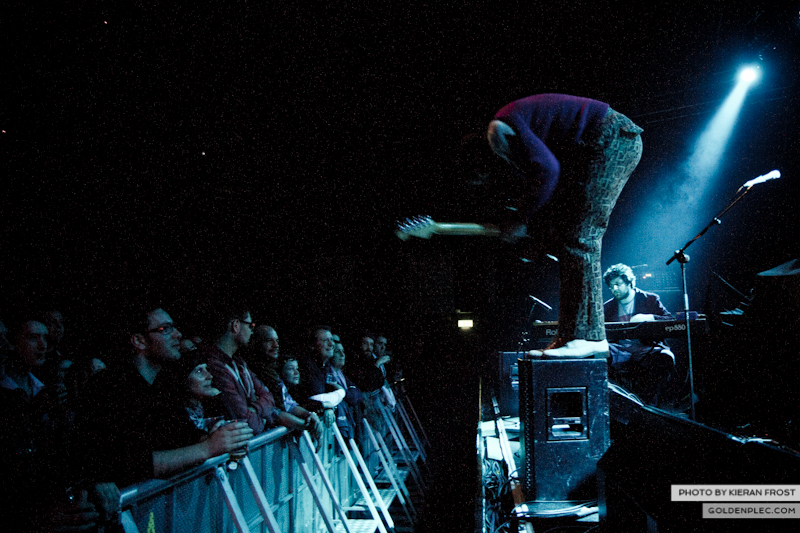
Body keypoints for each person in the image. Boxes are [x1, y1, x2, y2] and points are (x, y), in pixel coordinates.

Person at [468, 94, 643, 358]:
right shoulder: (518, 134)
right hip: (600, 143)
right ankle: (571, 336)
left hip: (613, 137)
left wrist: (519, 219)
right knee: (570, 240)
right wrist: (537, 235)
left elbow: (549, 172)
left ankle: (589, 338)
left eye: (482, 176)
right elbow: (552, 189)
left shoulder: (499, 130)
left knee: (581, 239)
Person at [73, 304, 254, 487]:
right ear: (139, 341)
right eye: (165, 329)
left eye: (174, 327)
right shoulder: (109, 388)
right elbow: (128, 462)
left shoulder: (162, 387)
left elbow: (184, 435)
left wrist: (219, 437)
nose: (178, 334)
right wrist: (207, 448)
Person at [603, 263, 675, 405]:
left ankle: (649, 405)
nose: (614, 289)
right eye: (611, 286)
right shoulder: (607, 307)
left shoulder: (650, 299)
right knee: (597, 356)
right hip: (619, 350)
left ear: (629, 282)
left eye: (618, 284)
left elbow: (670, 320)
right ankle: (616, 403)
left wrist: (650, 317)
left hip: (646, 348)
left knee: (665, 358)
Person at [201, 304, 280, 434]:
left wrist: (253, 409)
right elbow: (247, 424)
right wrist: (264, 418)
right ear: (235, 325)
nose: (252, 331)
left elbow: (269, 397)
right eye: (250, 326)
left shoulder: (239, 363)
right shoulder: (214, 366)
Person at [246, 325, 321, 437]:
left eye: (277, 341)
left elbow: (288, 404)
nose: (275, 346)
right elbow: (273, 412)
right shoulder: (253, 373)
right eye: (269, 341)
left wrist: (308, 415)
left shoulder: (273, 373)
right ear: (257, 343)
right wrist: (304, 424)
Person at [327, 339, 363, 440]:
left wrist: (345, 392)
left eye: (343, 351)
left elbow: (358, 395)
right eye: (338, 352)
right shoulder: (328, 375)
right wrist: (348, 394)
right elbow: (351, 398)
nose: (343, 354)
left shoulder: (341, 374)